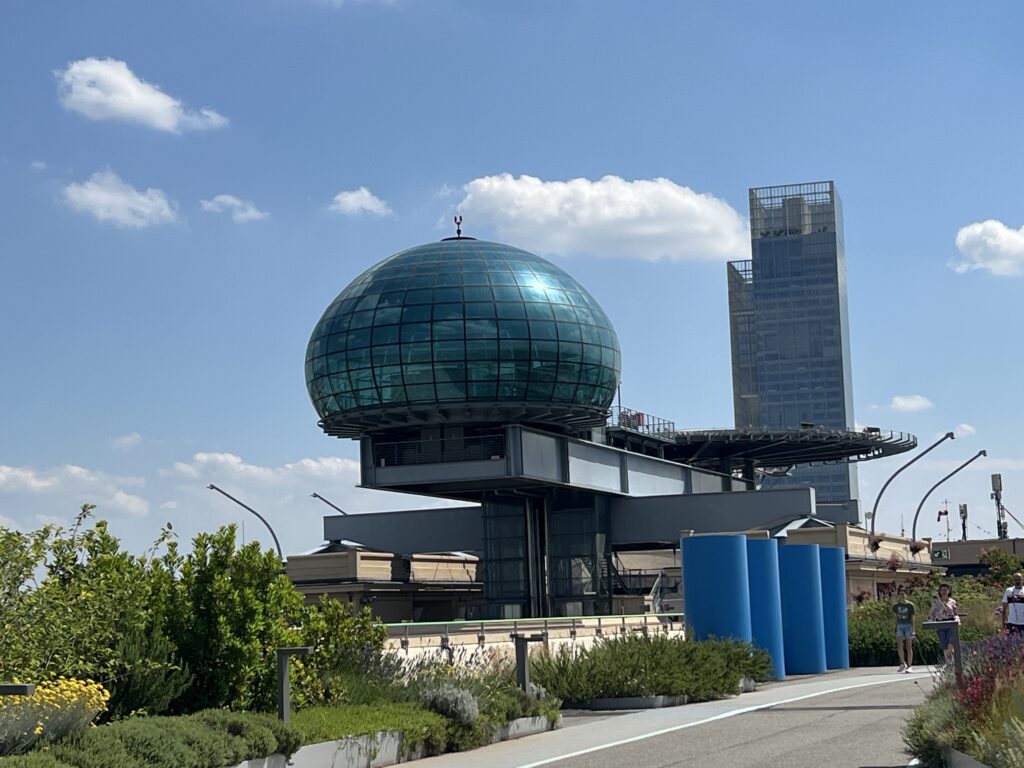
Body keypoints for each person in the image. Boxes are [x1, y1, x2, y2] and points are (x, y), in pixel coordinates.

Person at [927, 583, 959, 664]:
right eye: (942, 590)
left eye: (945, 590)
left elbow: (954, 612)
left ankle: (950, 657)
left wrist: (947, 605)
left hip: (950, 622)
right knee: (943, 642)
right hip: (940, 623)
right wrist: (931, 618)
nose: (943, 592)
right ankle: (948, 660)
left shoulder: (952, 601)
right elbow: (930, 613)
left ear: (949, 591)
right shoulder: (936, 602)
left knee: (951, 641)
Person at [894, 586, 916, 673]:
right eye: (900, 594)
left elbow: (913, 618)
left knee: (908, 646)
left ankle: (910, 665)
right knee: (900, 646)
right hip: (900, 625)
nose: (902, 595)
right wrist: (895, 627)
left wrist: (913, 630)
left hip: (908, 625)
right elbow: (895, 617)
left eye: (903, 594)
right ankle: (902, 663)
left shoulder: (910, 605)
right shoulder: (896, 606)